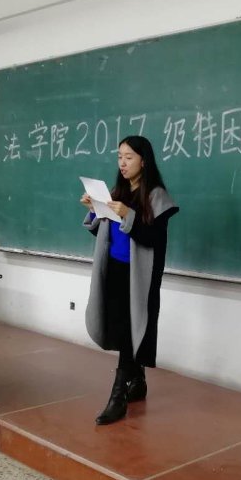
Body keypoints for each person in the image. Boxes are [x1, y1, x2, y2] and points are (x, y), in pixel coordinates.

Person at [80, 135, 179, 425]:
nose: (122, 163)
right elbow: (104, 232)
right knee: (122, 327)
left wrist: (129, 214)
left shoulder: (157, 197)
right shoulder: (117, 192)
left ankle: (118, 397)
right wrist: (94, 209)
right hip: (114, 269)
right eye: (119, 157)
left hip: (139, 277)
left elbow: (152, 238)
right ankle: (138, 381)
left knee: (130, 330)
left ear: (143, 161)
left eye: (129, 157)